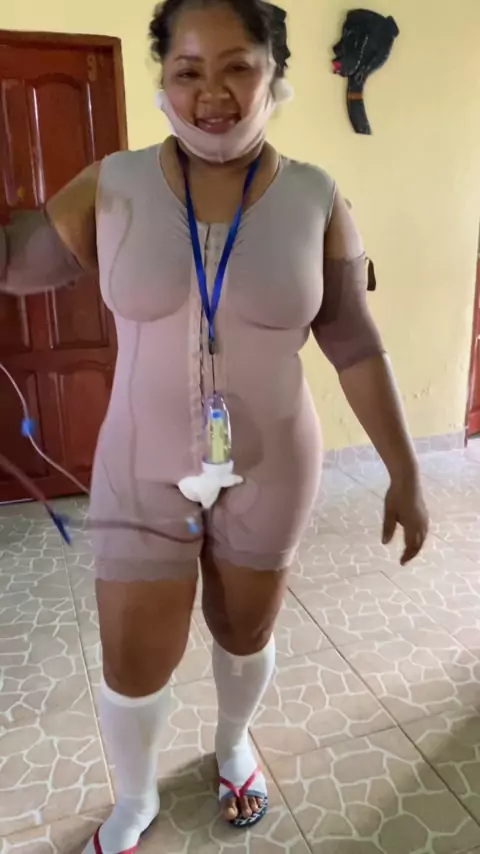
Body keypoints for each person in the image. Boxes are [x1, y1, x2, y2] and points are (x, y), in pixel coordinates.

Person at [0, 1, 429, 851]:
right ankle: (134, 798)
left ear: (275, 74)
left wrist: (407, 471)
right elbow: (16, 263)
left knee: (244, 632)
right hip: (139, 463)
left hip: (274, 465)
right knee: (133, 658)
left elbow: (353, 342)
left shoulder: (315, 196)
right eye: (188, 70)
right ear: (163, 79)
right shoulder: (113, 183)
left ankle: (234, 746)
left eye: (238, 66)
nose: (212, 93)